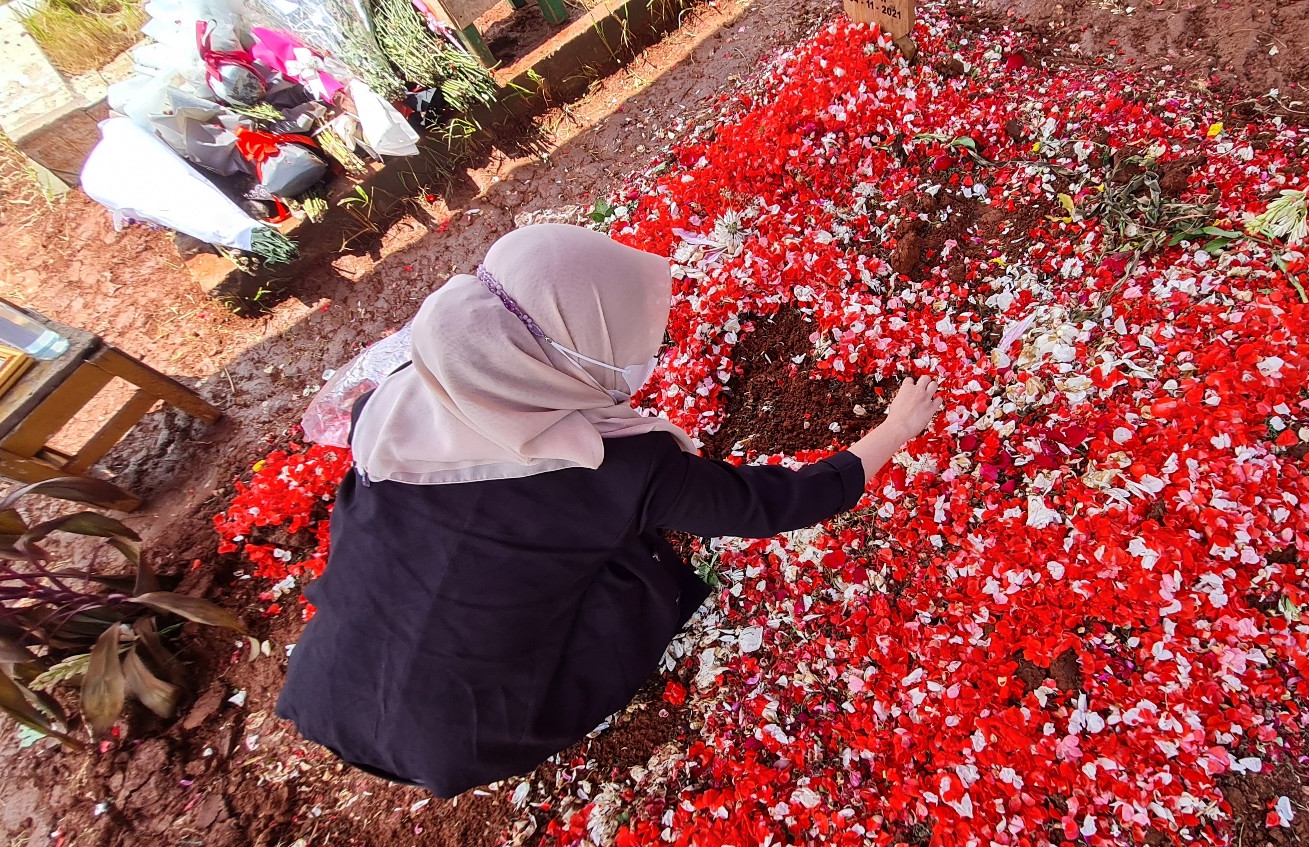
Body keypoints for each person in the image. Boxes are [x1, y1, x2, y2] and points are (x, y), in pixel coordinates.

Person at [275, 224, 941, 798]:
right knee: (640, 578)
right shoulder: (615, 469)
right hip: (461, 736)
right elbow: (773, 503)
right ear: (566, 359)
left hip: (326, 680)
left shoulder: (391, 402)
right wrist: (894, 430)